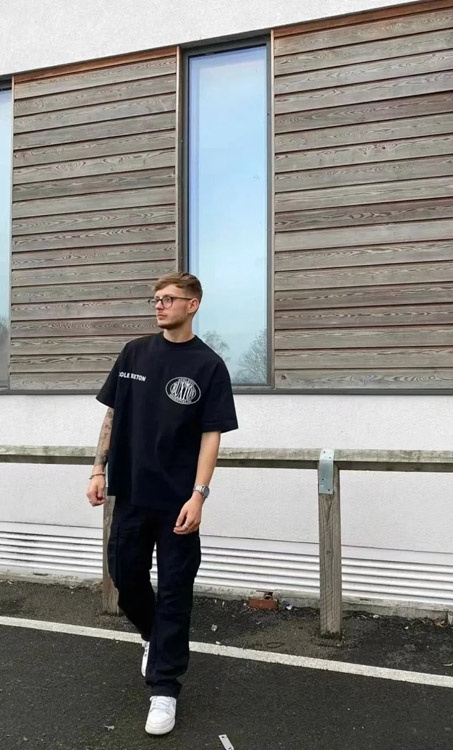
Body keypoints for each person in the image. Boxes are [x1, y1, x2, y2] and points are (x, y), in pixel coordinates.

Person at [86, 272, 238, 736]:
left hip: (177, 502)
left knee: (174, 592)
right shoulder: (134, 353)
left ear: (193, 305)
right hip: (131, 494)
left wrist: (199, 494)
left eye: (169, 298)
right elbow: (113, 414)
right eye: (156, 298)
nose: (159, 305)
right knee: (125, 576)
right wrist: (97, 469)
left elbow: (211, 435)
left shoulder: (209, 365)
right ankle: (154, 637)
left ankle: (165, 689)